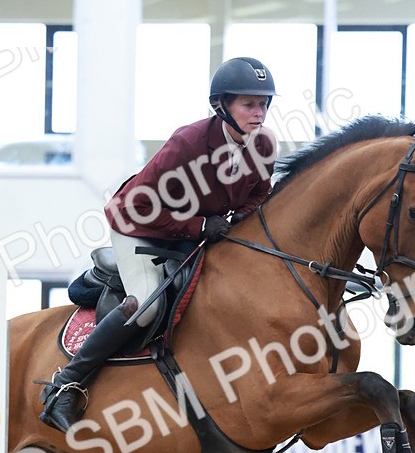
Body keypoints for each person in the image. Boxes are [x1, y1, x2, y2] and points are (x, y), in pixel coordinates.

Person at [40, 56, 279, 433]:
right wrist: (201, 224)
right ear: (222, 106)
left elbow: (260, 194)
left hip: (193, 233)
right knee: (146, 306)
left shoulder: (263, 145)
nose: (259, 113)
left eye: (264, 104)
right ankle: (64, 387)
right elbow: (137, 206)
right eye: (249, 104)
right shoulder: (189, 142)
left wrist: (235, 222)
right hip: (137, 225)